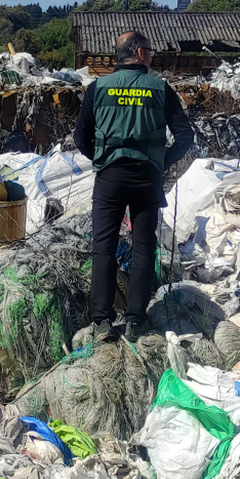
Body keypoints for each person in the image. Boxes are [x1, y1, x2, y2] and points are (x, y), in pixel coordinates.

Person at [73, 31, 195, 341]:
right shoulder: (160, 89)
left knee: (103, 249)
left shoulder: (97, 89)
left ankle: (101, 322)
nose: (152, 56)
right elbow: (185, 137)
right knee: (144, 250)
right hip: (146, 179)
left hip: (110, 179)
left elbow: (80, 139)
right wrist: (161, 162)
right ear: (139, 52)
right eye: (151, 51)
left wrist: (102, 159)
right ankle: (136, 321)